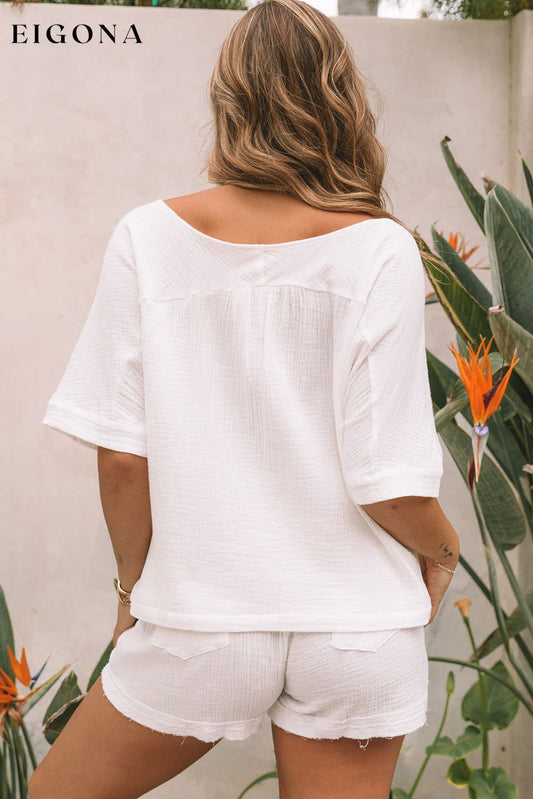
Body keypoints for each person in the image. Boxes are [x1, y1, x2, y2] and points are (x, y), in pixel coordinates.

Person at [32, 0, 460, 797]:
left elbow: (122, 456)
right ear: (341, 98)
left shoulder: (147, 237)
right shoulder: (380, 246)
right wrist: (442, 551)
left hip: (201, 624)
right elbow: (386, 481)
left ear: (226, 99)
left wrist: (131, 593)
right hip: (356, 629)